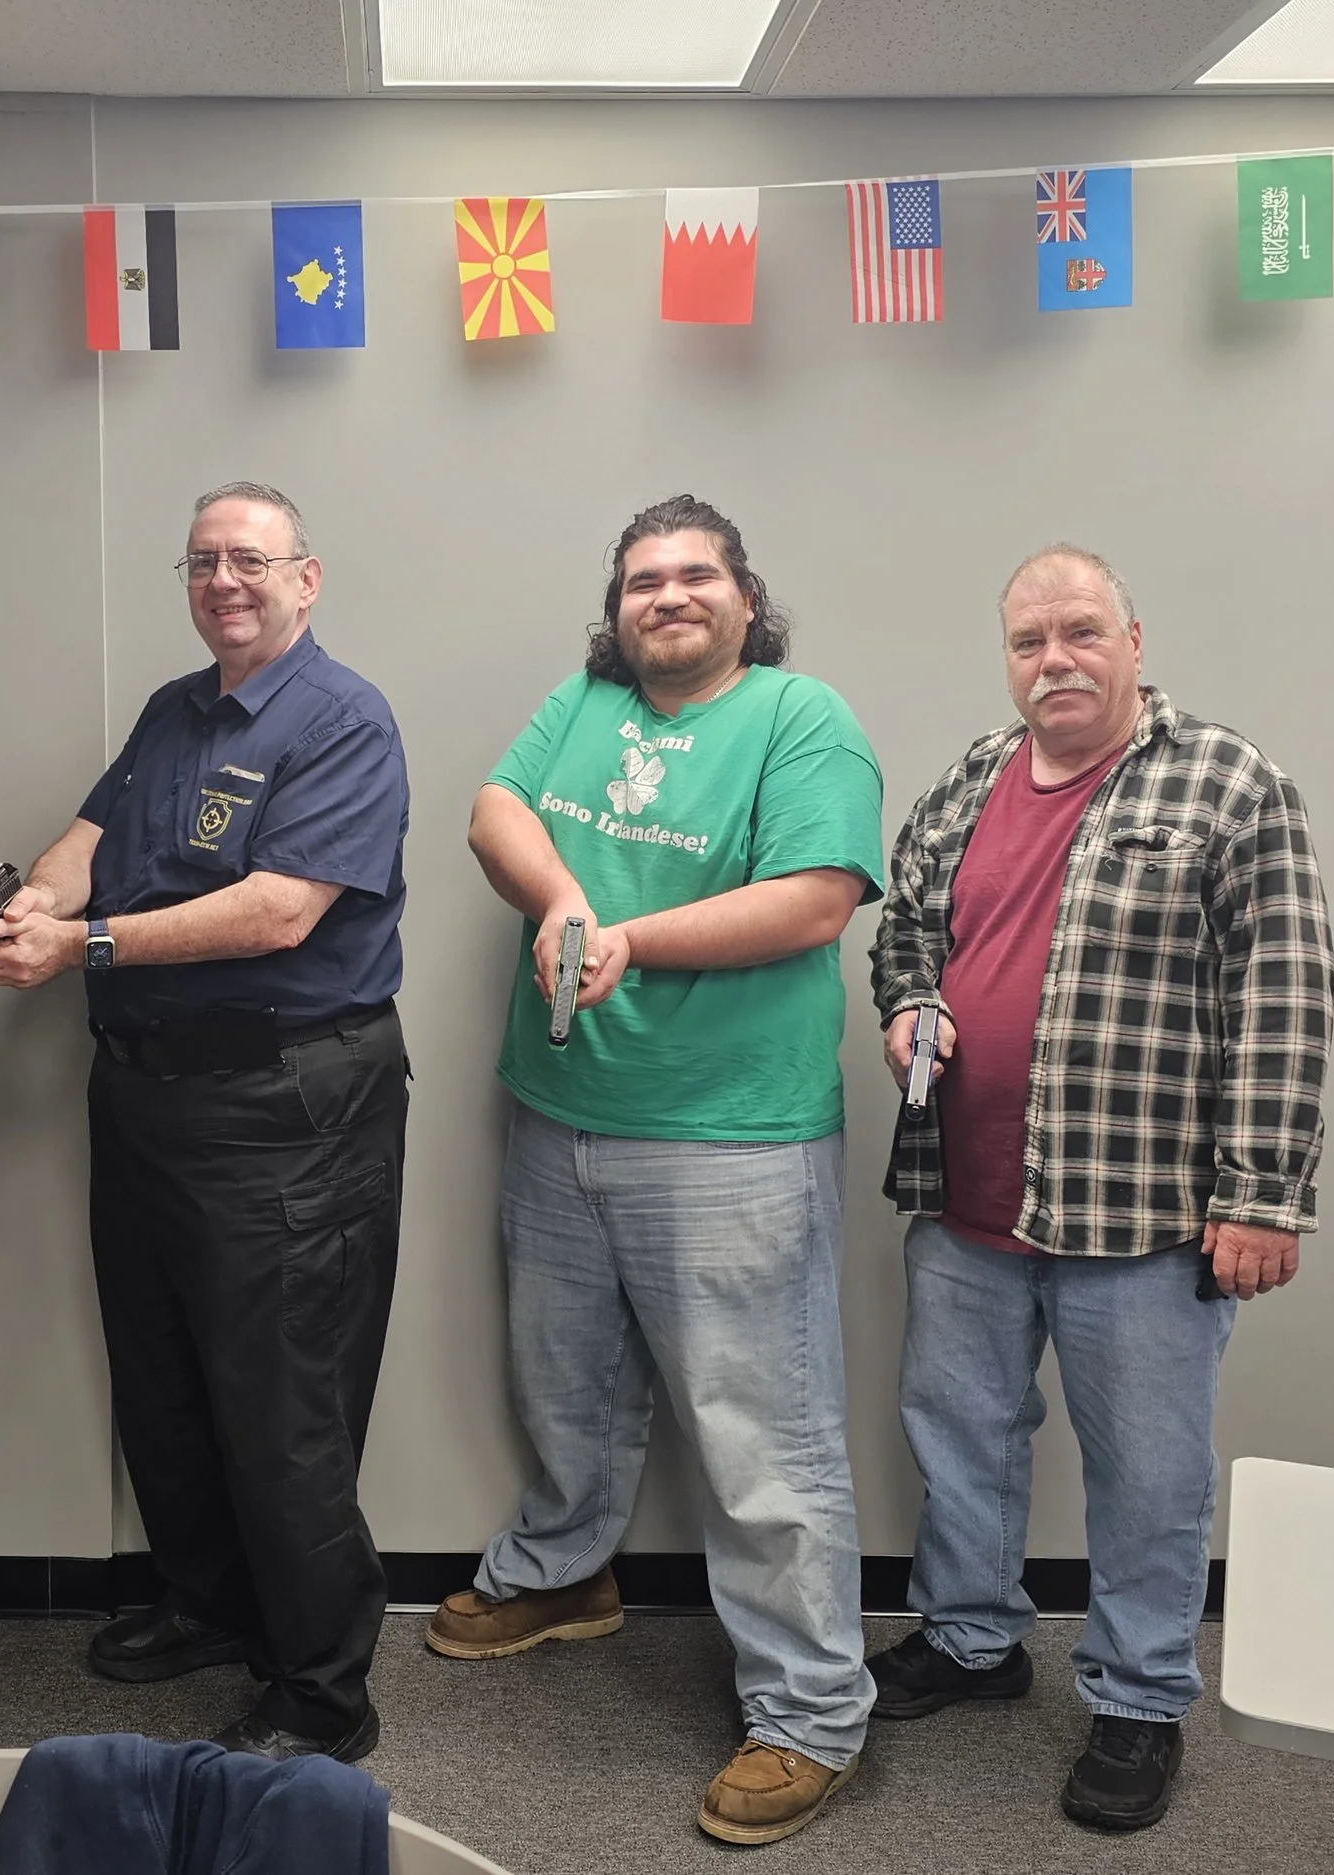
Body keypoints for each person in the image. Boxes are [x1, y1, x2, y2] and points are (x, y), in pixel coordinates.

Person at [426, 495, 886, 1847]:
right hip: (559, 1109)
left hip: (732, 1134)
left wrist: (630, 936)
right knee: (567, 1383)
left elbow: (815, 895)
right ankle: (567, 1572)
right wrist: (563, 898)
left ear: (747, 595)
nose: (667, 595)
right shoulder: (584, 698)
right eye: (642, 579)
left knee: (762, 1433)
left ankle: (808, 1708)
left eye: (696, 574)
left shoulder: (803, 718)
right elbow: (494, 805)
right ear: (614, 606)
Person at [867, 544, 1334, 1832]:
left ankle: (1137, 1700)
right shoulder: (971, 777)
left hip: (1139, 1212)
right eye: (1028, 640)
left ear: (1134, 640)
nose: (1053, 659)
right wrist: (911, 1001)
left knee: (1148, 1470)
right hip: (963, 1200)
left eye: (1079, 632)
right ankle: (971, 1641)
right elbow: (906, 922)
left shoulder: (1228, 783)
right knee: (957, 1435)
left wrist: (1261, 1193)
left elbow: (1284, 998)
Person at [0, 482, 408, 1765]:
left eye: (252, 561)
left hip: (285, 1101)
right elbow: (85, 840)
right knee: (162, 1377)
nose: (225, 580)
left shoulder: (343, 720)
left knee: (283, 1404)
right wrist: (34, 908)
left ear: (307, 578)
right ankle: (212, 1607)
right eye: (204, 561)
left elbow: (282, 912)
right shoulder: (174, 711)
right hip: (147, 1093)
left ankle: (326, 1690)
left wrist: (82, 944)